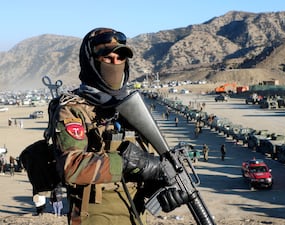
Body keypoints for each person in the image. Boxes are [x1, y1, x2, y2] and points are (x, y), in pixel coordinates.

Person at [47, 27, 188, 225]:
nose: (115, 63)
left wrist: (161, 189)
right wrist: (129, 162)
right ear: (91, 61)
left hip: (135, 213)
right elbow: (70, 167)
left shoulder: (131, 108)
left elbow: (143, 166)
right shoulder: (74, 108)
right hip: (94, 215)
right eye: (107, 58)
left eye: (119, 58)